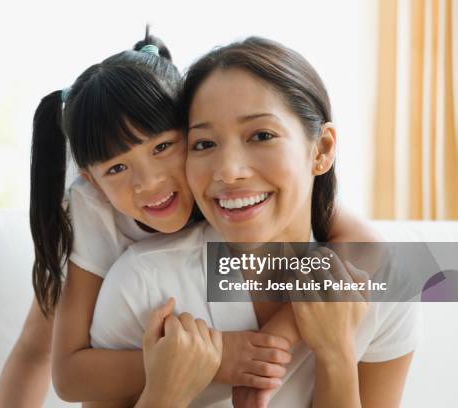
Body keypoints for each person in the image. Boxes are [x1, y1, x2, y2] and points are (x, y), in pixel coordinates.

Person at [0, 30, 382, 407]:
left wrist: (277, 339)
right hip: (109, 272)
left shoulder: (228, 178)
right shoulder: (95, 212)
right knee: (37, 339)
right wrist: (219, 358)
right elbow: (69, 375)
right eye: (117, 169)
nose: (150, 182)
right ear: (92, 180)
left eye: (164, 147)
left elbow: (372, 250)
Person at [90, 36, 421, 407]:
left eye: (261, 135)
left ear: (322, 149)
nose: (229, 172)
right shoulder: (142, 284)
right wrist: (163, 394)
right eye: (204, 144)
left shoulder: (387, 287)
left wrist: (337, 357)